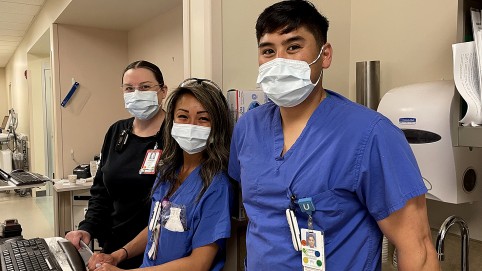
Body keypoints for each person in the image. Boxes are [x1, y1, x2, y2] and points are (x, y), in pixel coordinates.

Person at [228, 1, 441, 270]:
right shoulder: (248, 128)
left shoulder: (371, 134)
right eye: (268, 51)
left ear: (325, 55)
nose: (279, 61)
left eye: (293, 46)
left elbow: (417, 250)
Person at [87, 78, 233, 271]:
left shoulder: (216, 185)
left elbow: (199, 264)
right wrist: (118, 255)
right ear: (171, 121)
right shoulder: (167, 170)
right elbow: (157, 226)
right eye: (183, 116)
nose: (191, 125)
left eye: (203, 118)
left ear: (216, 127)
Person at [65, 60, 168, 269]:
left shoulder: (175, 135)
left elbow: (174, 205)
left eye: (145, 87)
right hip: (112, 249)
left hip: (158, 250)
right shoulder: (116, 132)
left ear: (163, 91)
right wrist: (87, 228)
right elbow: (101, 192)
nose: (136, 93)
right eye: (129, 88)